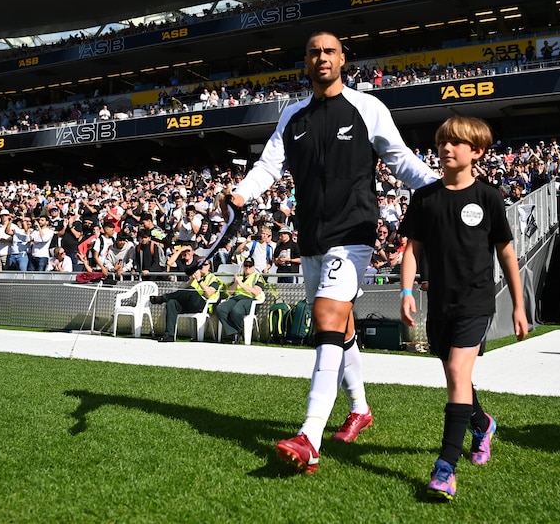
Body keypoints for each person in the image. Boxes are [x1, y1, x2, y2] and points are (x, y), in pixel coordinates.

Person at [224, 31, 437, 474]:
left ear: (343, 59)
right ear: (305, 61)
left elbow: (400, 159)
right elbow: (269, 165)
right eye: (313, 52)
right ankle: (359, 408)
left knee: (325, 315)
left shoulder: (367, 108)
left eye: (329, 51)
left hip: (355, 232)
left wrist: (445, 189)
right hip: (311, 237)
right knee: (340, 326)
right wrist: (243, 192)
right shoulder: (293, 115)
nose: (321, 58)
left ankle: (310, 434)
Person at [398, 116, 528, 501]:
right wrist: (406, 290)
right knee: (458, 379)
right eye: (442, 142)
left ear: (477, 152)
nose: (446, 149)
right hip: (438, 302)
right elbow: (412, 250)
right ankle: (483, 424)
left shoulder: (488, 196)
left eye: (455, 143)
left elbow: (506, 252)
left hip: (476, 301)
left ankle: (445, 469)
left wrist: (519, 305)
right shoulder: (424, 197)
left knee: (457, 371)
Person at [150, 258, 223, 342]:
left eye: (204, 264)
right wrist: (191, 279)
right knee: (171, 303)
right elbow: (181, 289)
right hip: (189, 304)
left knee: (191, 290)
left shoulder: (213, 279)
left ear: (209, 266)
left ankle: (163, 298)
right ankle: (169, 335)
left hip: (203, 305)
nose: (201, 267)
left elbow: (209, 293)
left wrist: (199, 280)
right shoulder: (194, 277)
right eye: (199, 265)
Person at [214, 258, 264, 342]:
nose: (247, 267)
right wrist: (236, 282)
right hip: (236, 298)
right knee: (220, 309)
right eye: (246, 265)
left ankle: (238, 332)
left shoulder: (257, 277)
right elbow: (230, 292)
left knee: (236, 310)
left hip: (250, 299)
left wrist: (241, 284)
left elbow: (256, 292)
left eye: (250, 265)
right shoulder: (239, 277)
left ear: (253, 267)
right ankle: (234, 333)